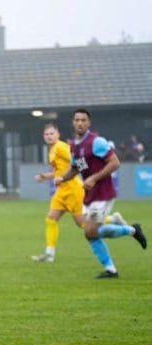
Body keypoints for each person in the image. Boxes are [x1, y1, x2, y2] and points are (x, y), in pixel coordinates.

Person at [55, 108, 147, 278]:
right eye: (77, 120)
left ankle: (132, 230)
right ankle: (111, 269)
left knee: (91, 231)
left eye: (83, 120)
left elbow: (115, 162)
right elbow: (77, 168)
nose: (80, 123)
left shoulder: (96, 142)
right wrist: (63, 178)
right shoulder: (74, 146)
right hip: (90, 195)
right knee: (90, 233)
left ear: (88, 123)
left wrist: (94, 178)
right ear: (73, 123)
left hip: (103, 193)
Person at [32, 123, 85, 262]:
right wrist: (45, 176)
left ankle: (117, 223)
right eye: (46, 134)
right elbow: (58, 171)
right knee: (51, 219)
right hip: (62, 190)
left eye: (51, 133)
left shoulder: (61, 147)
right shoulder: (52, 150)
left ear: (58, 134)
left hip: (73, 189)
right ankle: (49, 254)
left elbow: (79, 161)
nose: (49, 136)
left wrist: (88, 175)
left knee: (84, 224)